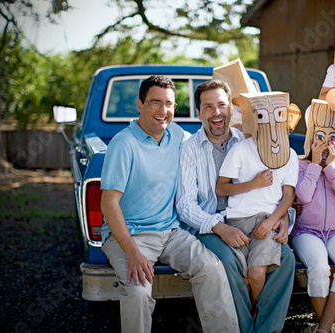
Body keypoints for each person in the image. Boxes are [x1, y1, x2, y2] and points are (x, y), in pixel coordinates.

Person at [100, 75, 239, 333]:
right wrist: (132, 253)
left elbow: (213, 129)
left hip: (171, 232)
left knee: (211, 268)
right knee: (139, 292)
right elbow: (109, 204)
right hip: (129, 235)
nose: (163, 111)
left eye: (169, 104)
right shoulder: (123, 145)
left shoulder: (177, 135)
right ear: (140, 105)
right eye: (155, 103)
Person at [176, 80, 296, 333]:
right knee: (228, 262)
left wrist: (283, 218)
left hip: (251, 219)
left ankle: (266, 329)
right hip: (209, 225)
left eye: (221, 105)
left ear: (232, 109)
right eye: (208, 107)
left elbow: (275, 191)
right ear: (198, 113)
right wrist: (220, 228)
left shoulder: (249, 143)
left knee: (285, 260)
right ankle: (244, 327)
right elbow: (185, 205)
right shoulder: (189, 149)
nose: (216, 112)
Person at [291, 97, 335, 333]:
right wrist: (316, 166)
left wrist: (330, 168)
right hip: (306, 231)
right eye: (320, 137)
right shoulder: (299, 165)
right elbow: (303, 196)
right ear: (311, 137)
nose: (325, 143)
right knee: (319, 267)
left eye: (332, 138)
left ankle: (323, 327)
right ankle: (326, 326)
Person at [215, 129, 297, 317]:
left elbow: (288, 196)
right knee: (242, 279)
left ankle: (253, 311)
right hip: (236, 220)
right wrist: (253, 184)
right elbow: (221, 188)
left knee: (257, 274)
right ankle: (244, 317)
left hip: (267, 219)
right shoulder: (240, 149)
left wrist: (271, 221)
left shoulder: (289, 154)